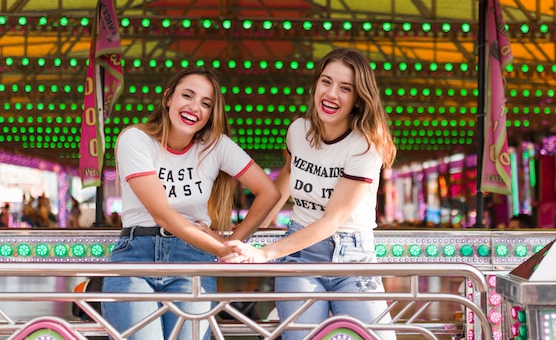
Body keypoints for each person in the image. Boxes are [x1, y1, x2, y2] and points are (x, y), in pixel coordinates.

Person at [224, 48, 398, 340]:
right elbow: (286, 180)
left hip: (353, 258)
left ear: (358, 99)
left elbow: (331, 221)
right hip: (301, 255)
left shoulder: (364, 146)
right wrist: (243, 235)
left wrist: (264, 253)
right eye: (326, 82)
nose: (332, 94)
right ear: (315, 84)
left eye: (345, 88)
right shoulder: (298, 131)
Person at [101, 66, 281, 340]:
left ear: (211, 113)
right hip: (137, 257)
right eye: (187, 95)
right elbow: (162, 214)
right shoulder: (136, 139)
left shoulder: (216, 145)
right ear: (168, 98)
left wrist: (235, 241)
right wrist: (223, 249)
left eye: (206, 103)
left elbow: (269, 192)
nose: (195, 107)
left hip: (194, 258)